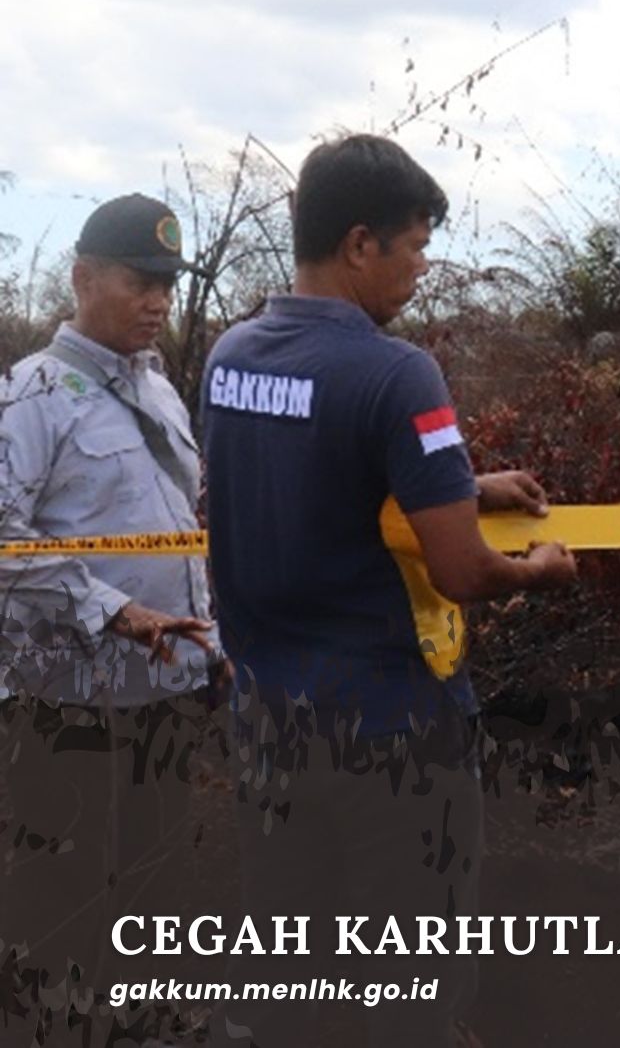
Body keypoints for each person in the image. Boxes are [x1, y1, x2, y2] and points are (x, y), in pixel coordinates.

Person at [202, 133, 577, 1046]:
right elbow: (460, 571)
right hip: (395, 736)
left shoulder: (231, 356)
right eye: (413, 247)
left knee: (292, 979)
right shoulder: (394, 370)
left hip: (268, 723)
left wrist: (463, 486)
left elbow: (312, 474)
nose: (420, 270)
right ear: (360, 243)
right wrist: (536, 572)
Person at [0, 193, 223, 1040]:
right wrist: (111, 610)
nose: (159, 299)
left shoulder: (162, 391)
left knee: (154, 887)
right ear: (84, 277)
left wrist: (214, 640)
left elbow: (178, 526)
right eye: (141, 280)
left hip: (163, 693)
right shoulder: (30, 398)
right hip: (68, 704)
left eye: (168, 282)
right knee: (58, 897)